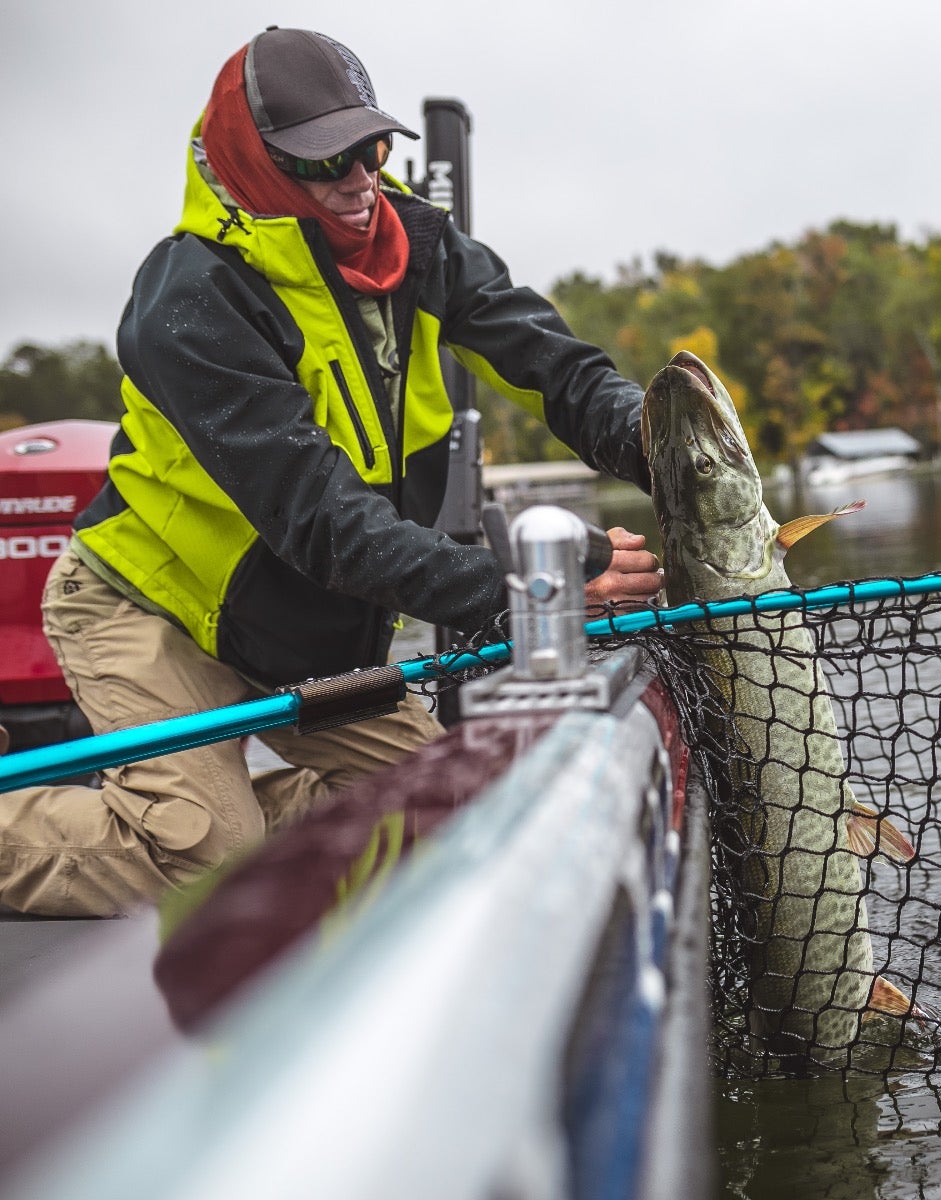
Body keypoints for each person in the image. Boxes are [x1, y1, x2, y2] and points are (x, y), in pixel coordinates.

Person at [0, 28, 662, 917]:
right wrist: (526, 591)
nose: (359, 180)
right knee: (206, 860)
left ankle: (234, 818)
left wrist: (662, 450)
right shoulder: (190, 299)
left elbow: (558, 367)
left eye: (371, 148)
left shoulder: (419, 244)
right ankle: (180, 826)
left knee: (445, 816)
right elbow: (323, 522)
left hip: (304, 628)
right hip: (151, 605)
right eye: (324, 162)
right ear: (255, 163)